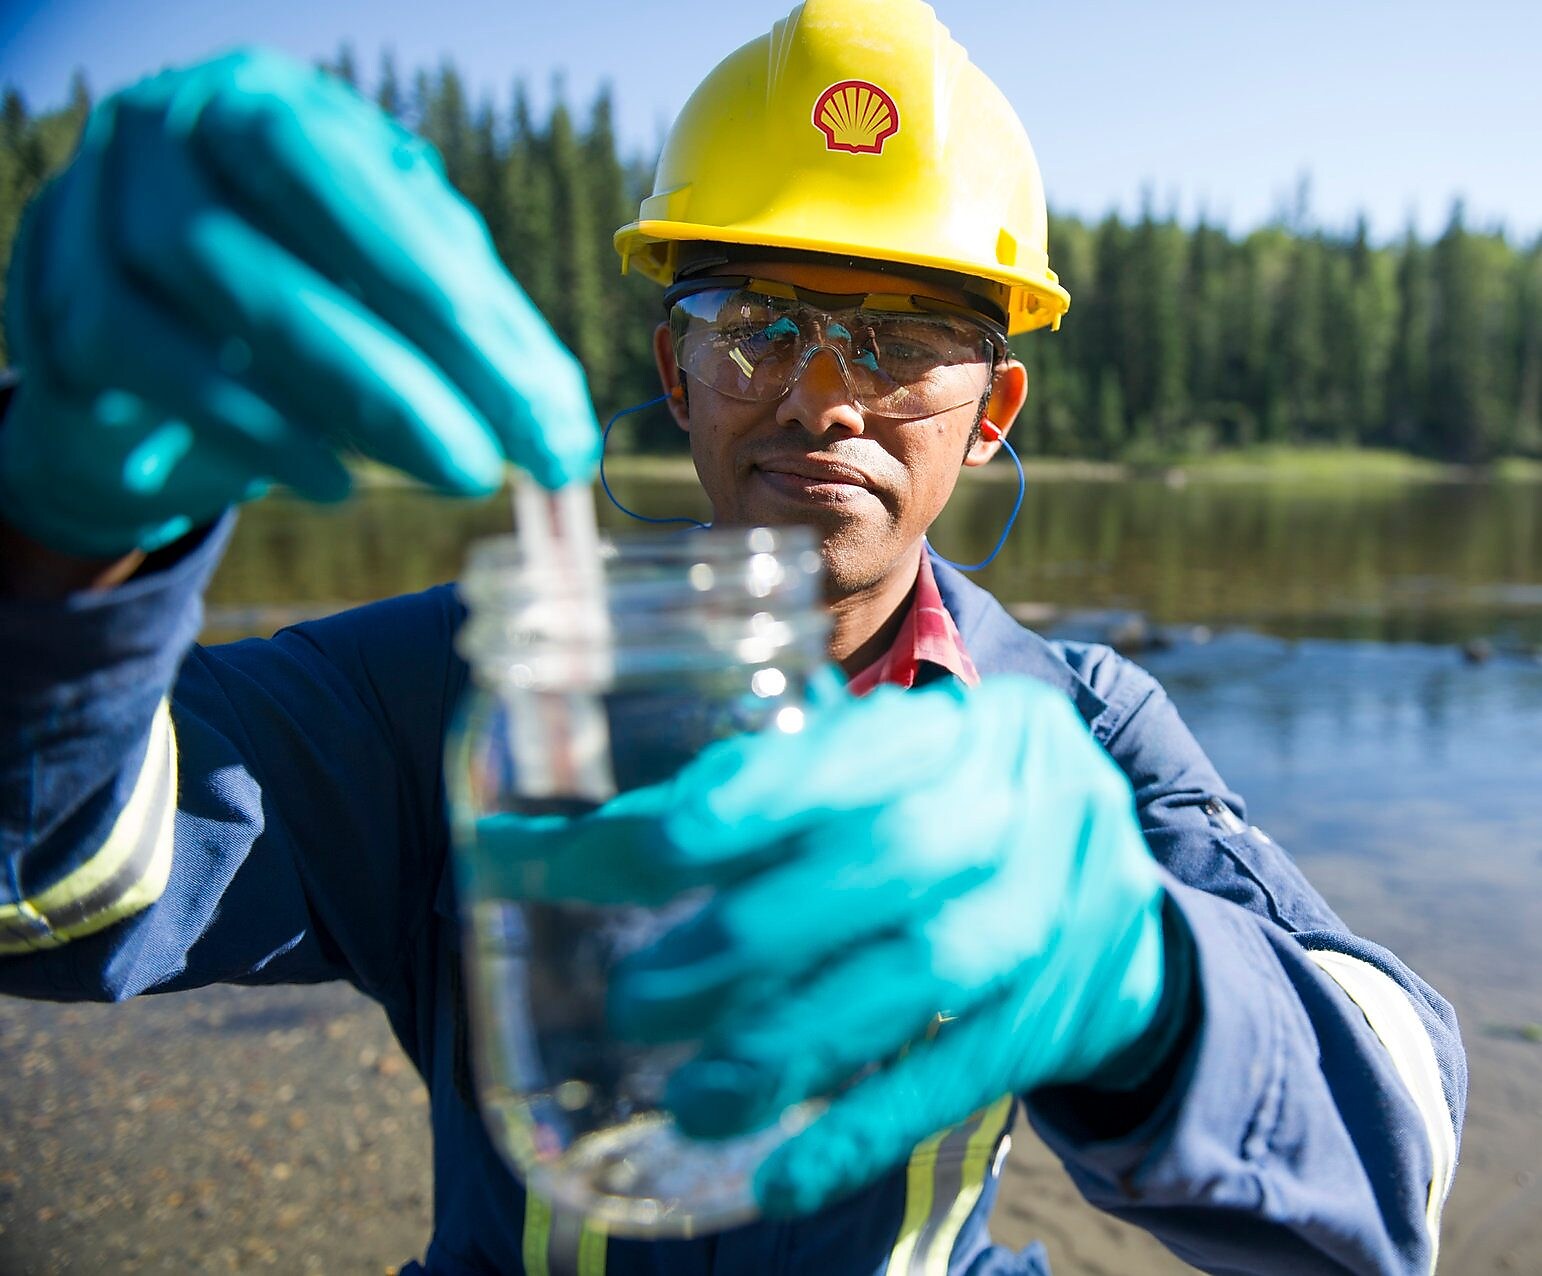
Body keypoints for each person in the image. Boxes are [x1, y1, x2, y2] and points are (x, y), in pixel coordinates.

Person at [0, 3, 1463, 1274]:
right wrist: (57, 543)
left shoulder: (1080, 736)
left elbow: (1399, 1151)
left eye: (897, 342)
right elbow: (61, 889)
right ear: (676, 371)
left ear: (992, 414)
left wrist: (1159, 987)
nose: (823, 399)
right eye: (757, 320)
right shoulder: (462, 689)